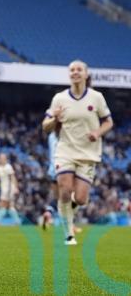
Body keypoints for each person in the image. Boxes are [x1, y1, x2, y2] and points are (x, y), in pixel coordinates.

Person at [42, 60, 112, 246]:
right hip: (64, 151)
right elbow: (45, 126)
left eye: (79, 69)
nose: (75, 72)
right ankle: (68, 235)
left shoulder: (97, 98)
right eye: (72, 70)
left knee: (80, 199)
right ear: (69, 74)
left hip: (88, 153)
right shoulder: (59, 98)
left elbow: (108, 122)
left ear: (86, 74)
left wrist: (97, 132)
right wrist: (55, 118)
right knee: (65, 190)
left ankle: (67, 210)